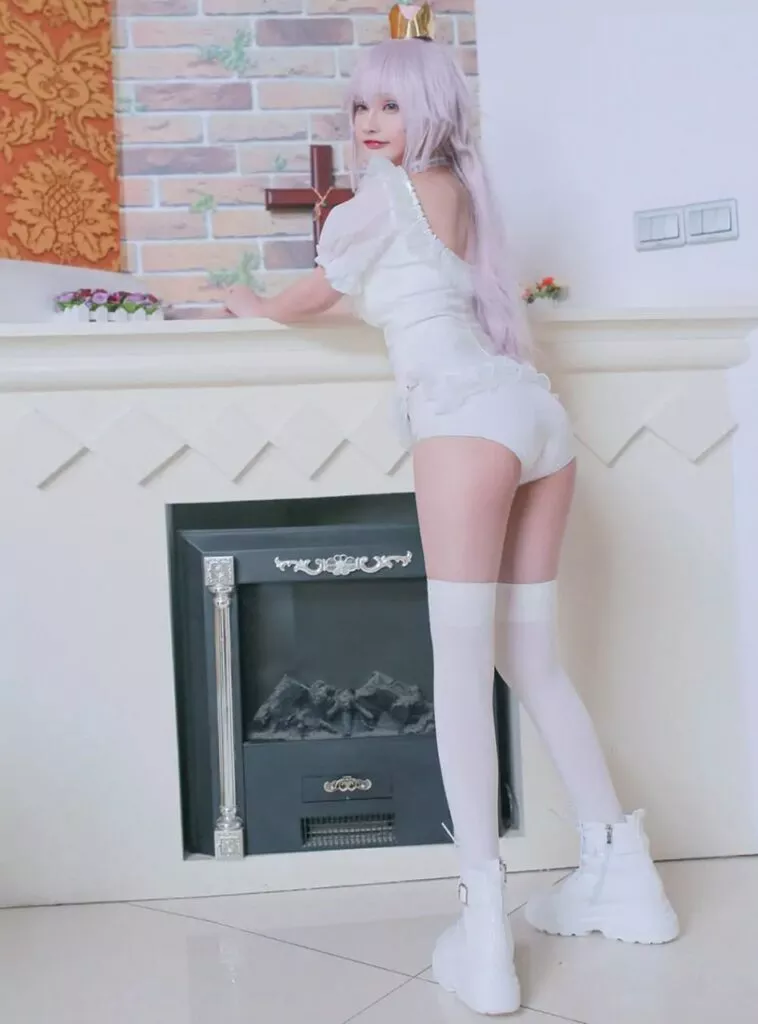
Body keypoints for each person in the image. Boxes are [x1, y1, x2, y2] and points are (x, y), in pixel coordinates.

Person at [225, 31, 679, 1019]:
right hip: (533, 415)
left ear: (427, 110)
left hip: (464, 422)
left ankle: (483, 936)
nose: (368, 122)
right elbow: (400, 293)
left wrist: (246, 300)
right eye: (359, 105)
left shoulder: (377, 198)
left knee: (461, 671)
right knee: (531, 660)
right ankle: (624, 875)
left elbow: (310, 297)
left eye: (388, 105)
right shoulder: (461, 193)